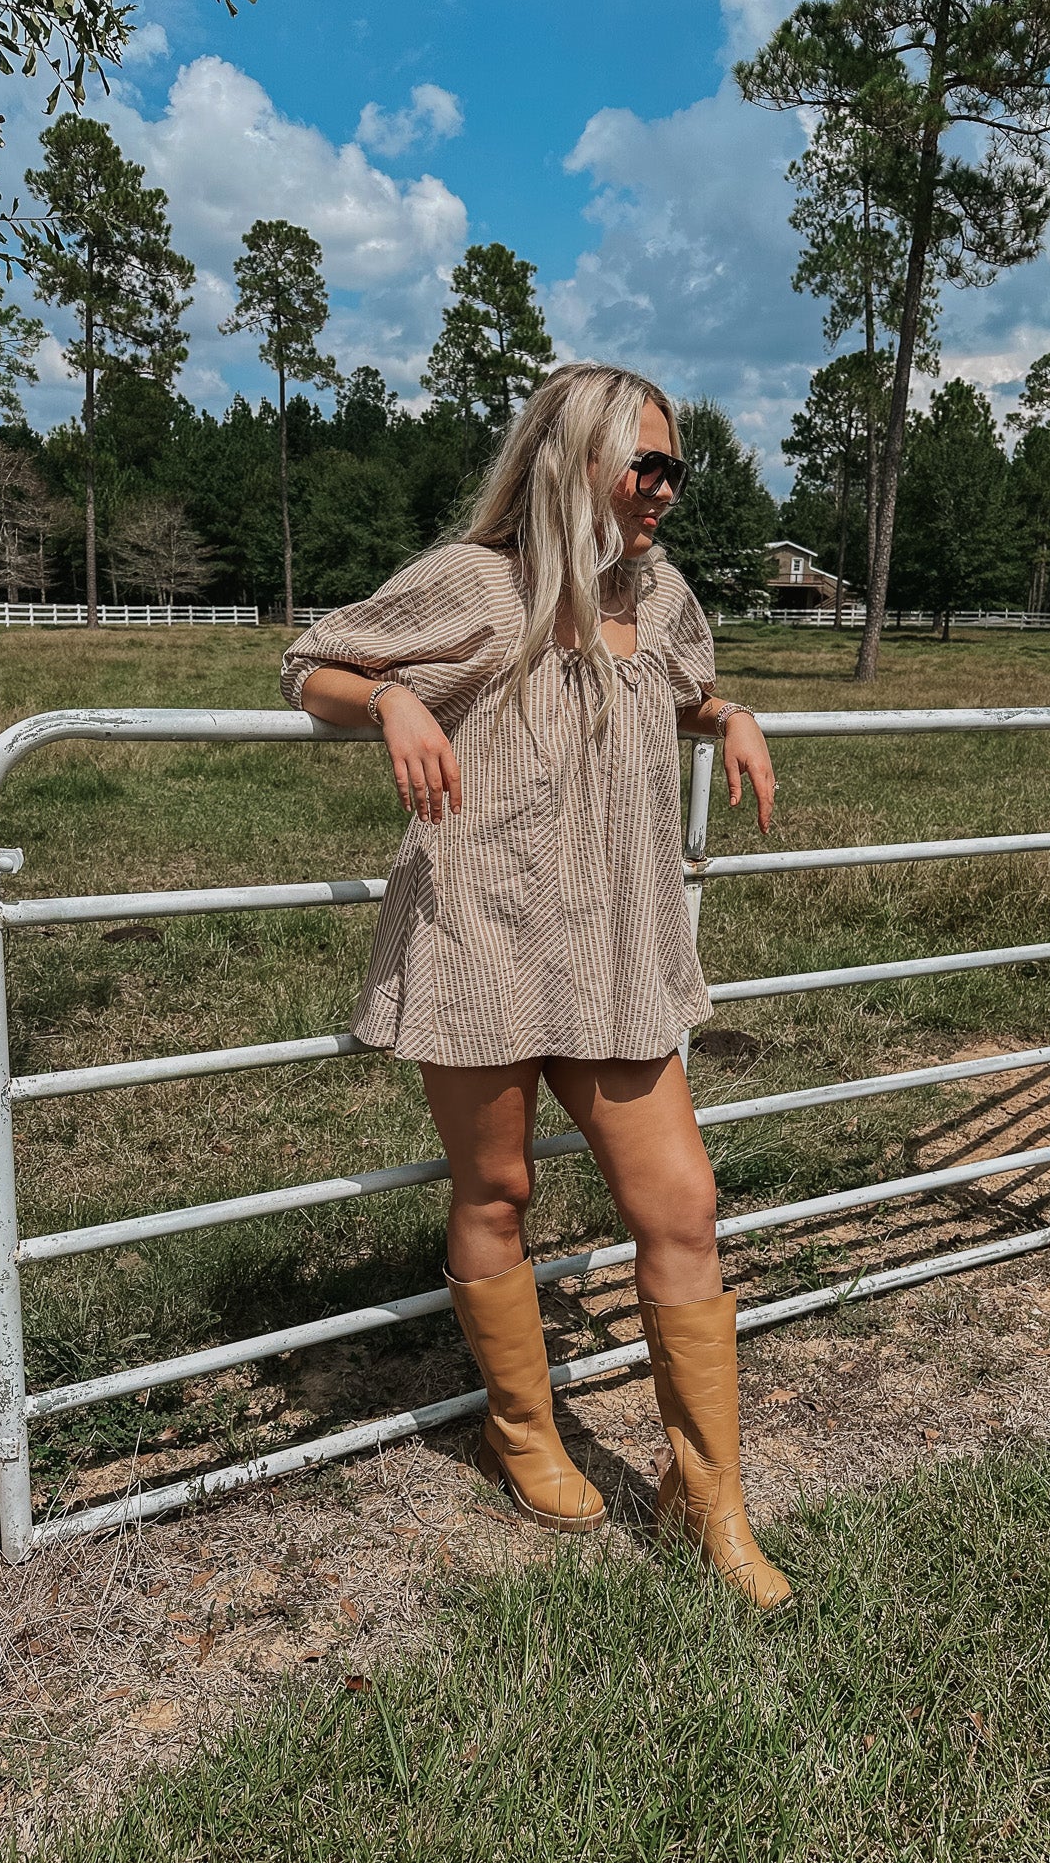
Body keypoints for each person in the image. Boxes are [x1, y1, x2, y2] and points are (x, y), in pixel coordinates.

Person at [281, 361, 790, 1610]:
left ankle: (707, 1497)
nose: (666, 491)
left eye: (676, 469)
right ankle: (522, 1429)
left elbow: (670, 688)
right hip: (482, 930)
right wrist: (395, 696)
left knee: (682, 1206)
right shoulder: (478, 583)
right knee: (495, 1188)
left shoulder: (659, 594)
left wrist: (728, 712)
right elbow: (310, 662)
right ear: (574, 463)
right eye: (648, 466)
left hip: (615, 944)